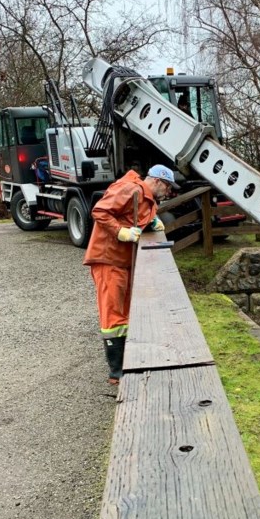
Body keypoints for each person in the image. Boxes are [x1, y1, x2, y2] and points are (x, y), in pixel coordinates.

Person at [83, 164, 180, 385]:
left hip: (122, 261)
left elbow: (132, 217)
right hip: (108, 259)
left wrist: (150, 223)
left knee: (124, 311)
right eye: (167, 187)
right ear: (156, 181)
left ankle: (127, 362)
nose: (168, 192)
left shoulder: (147, 198)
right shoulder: (132, 190)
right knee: (113, 314)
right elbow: (100, 211)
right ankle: (117, 371)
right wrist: (120, 232)